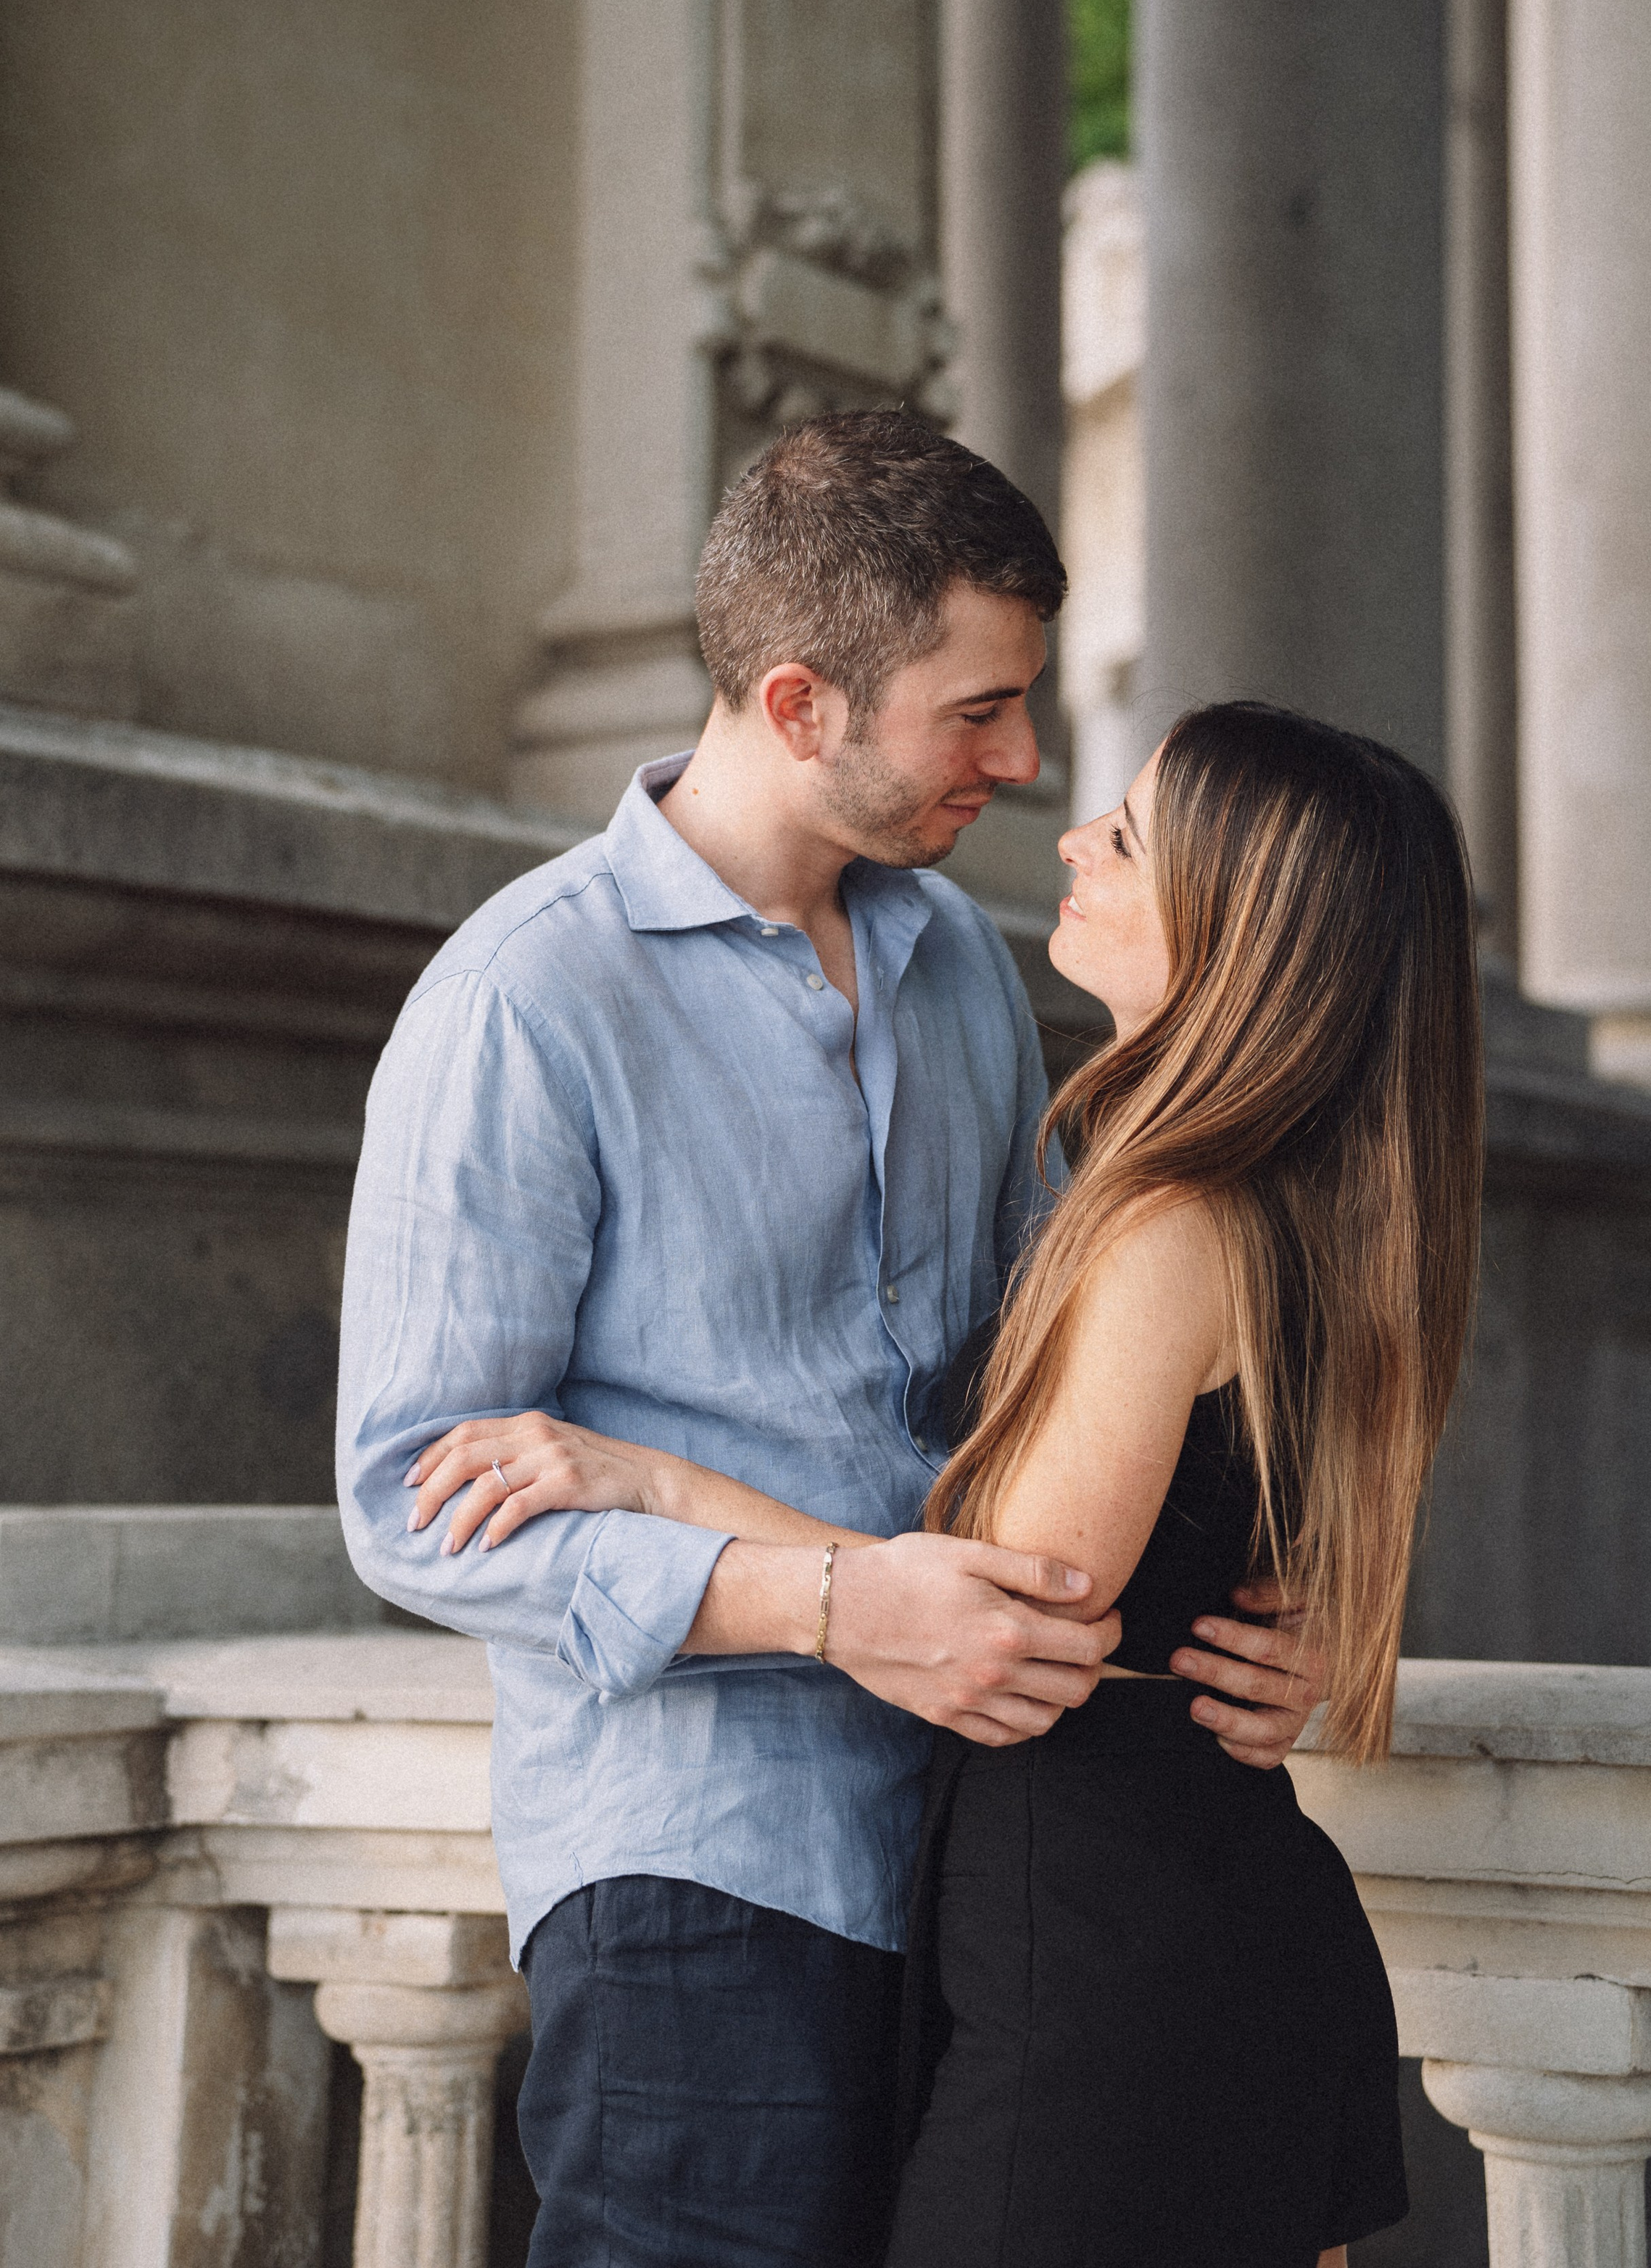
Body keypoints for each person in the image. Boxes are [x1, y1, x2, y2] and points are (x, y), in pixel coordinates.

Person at [339, 409, 1328, 2268]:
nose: (1025, 762)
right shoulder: (523, 1003)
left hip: (976, 1861)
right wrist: (828, 1609)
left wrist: (1292, 1601)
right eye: (976, 713)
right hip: (703, 1871)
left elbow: (1056, 1379)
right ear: (799, 704)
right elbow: (411, 1502)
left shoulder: (959, 962)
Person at [409, 699, 1482, 2267]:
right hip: (1179, 1922)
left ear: (1234, 923)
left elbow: (999, 1621)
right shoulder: (1281, 1213)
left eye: (1128, 834)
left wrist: (648, 1476)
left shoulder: (1170, 1221)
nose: (1067, 833)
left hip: (1115, 1963)